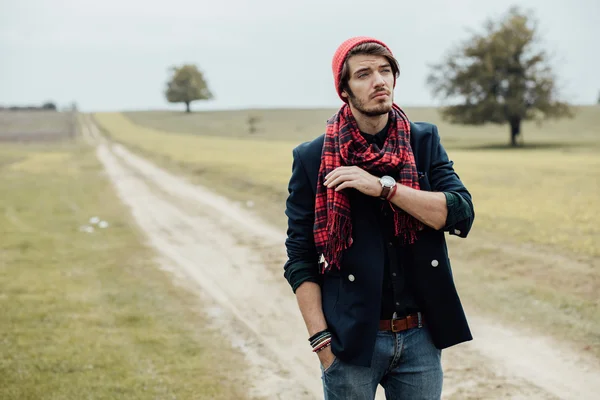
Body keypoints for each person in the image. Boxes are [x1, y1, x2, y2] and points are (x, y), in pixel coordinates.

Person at [283, 36, 476, 400]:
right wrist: (322, 343)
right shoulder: (313, 157)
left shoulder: (422, 141)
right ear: (344, 89)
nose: (379, 81)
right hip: (351, 340)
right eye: (364, 74)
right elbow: (300, 258)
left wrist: (385, 188)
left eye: (386, 71)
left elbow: (460, 212)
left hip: (420, 336)